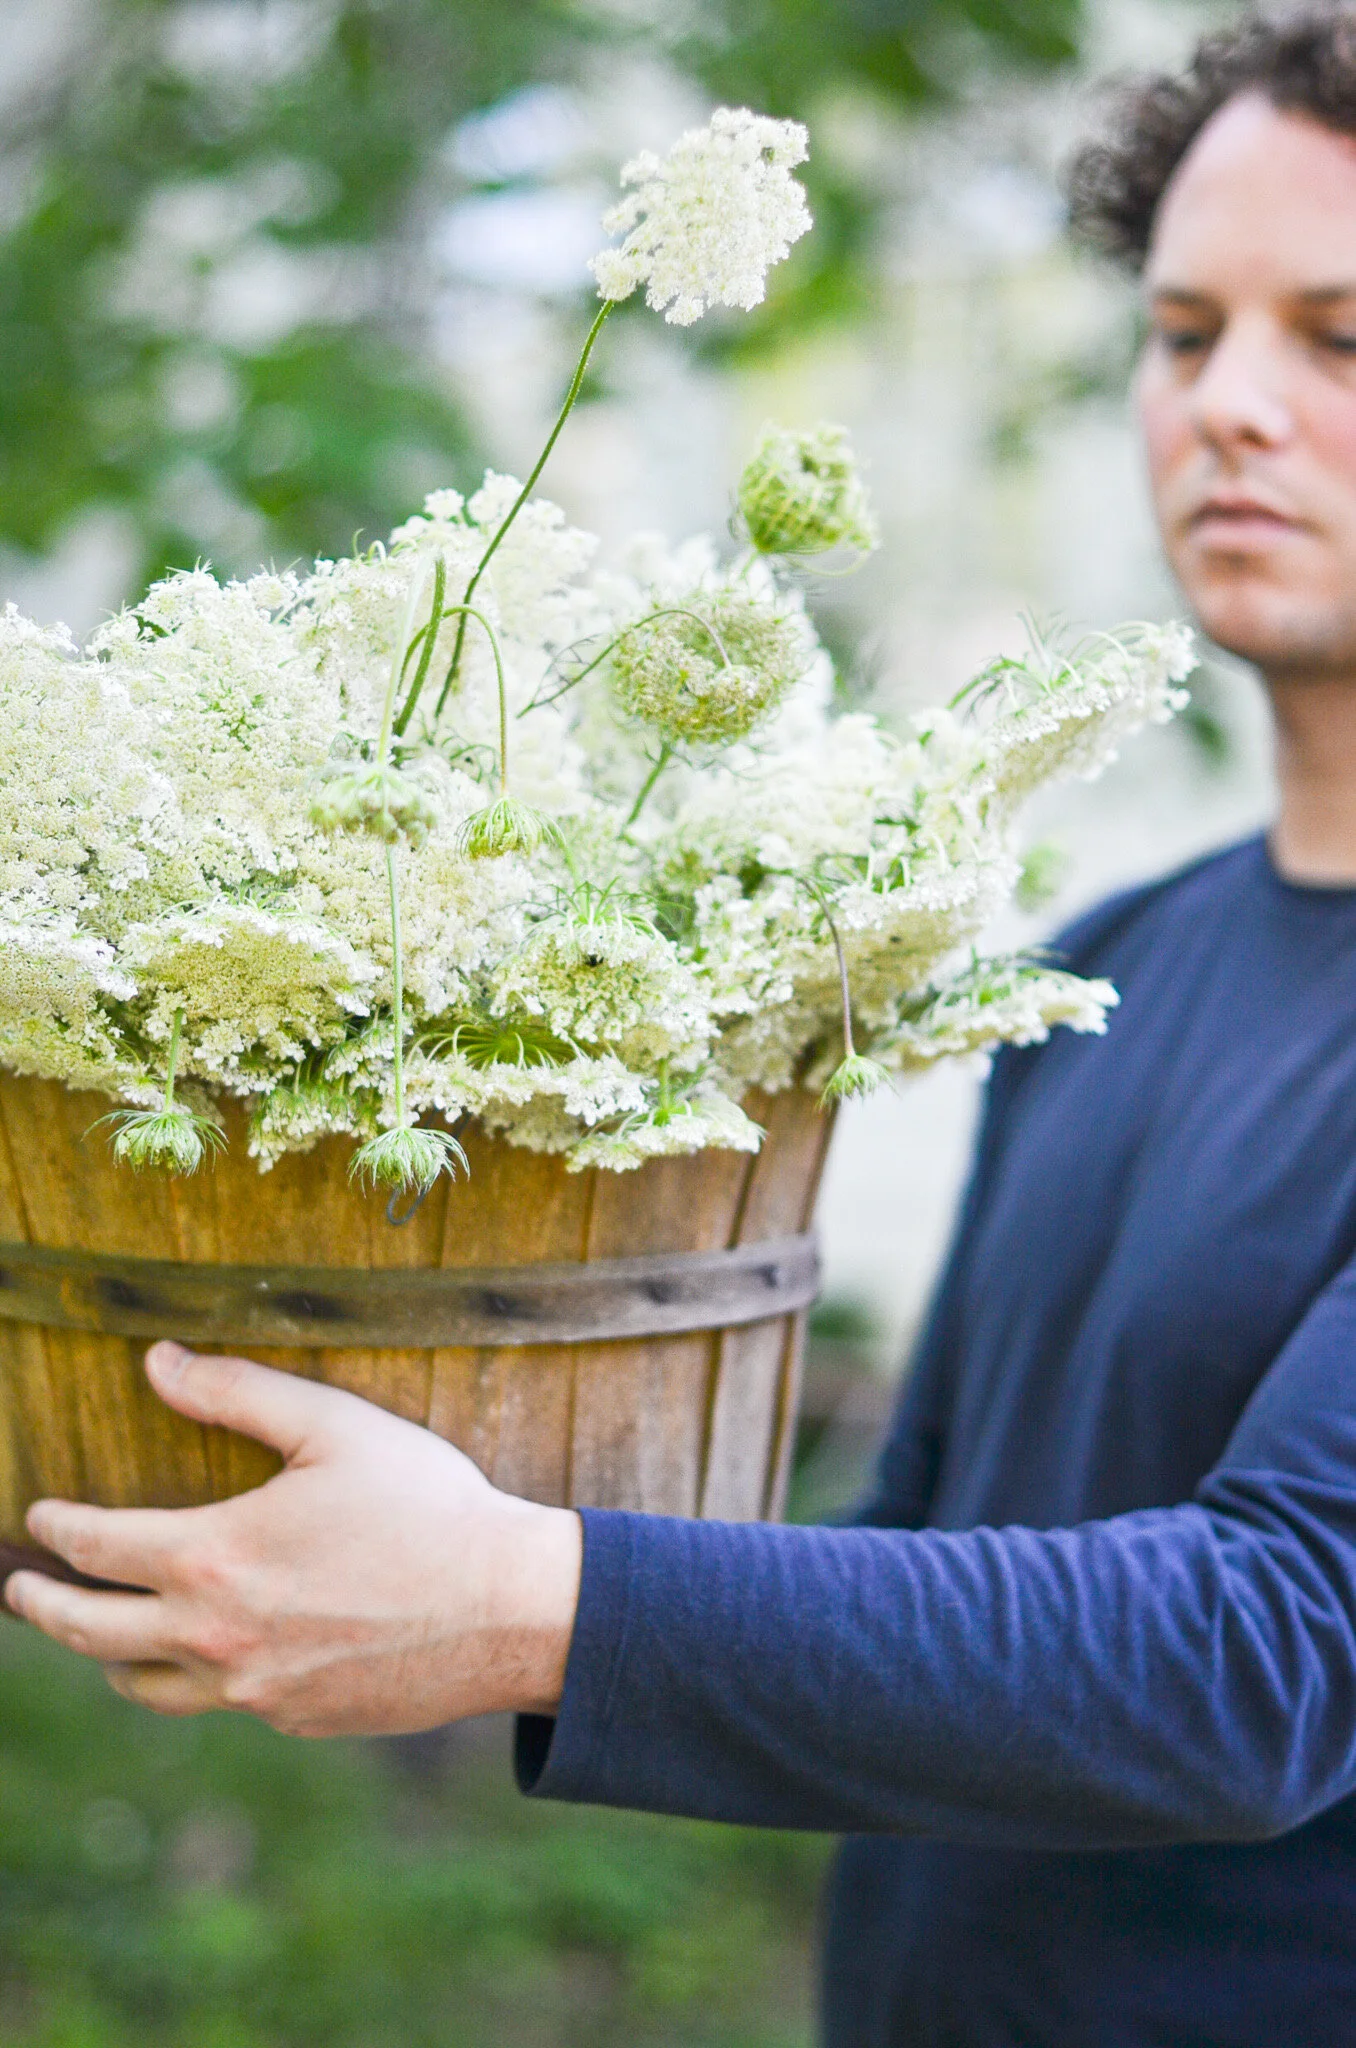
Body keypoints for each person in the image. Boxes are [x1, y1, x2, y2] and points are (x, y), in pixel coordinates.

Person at [12, 9, 1356, 2041]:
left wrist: (519, 1599)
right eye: (1183, 334)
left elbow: (1268, 1658)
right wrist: (381, 1524)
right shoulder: (1124, 957)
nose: (1230, 404)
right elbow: (919, 1565)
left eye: (1337, 336)